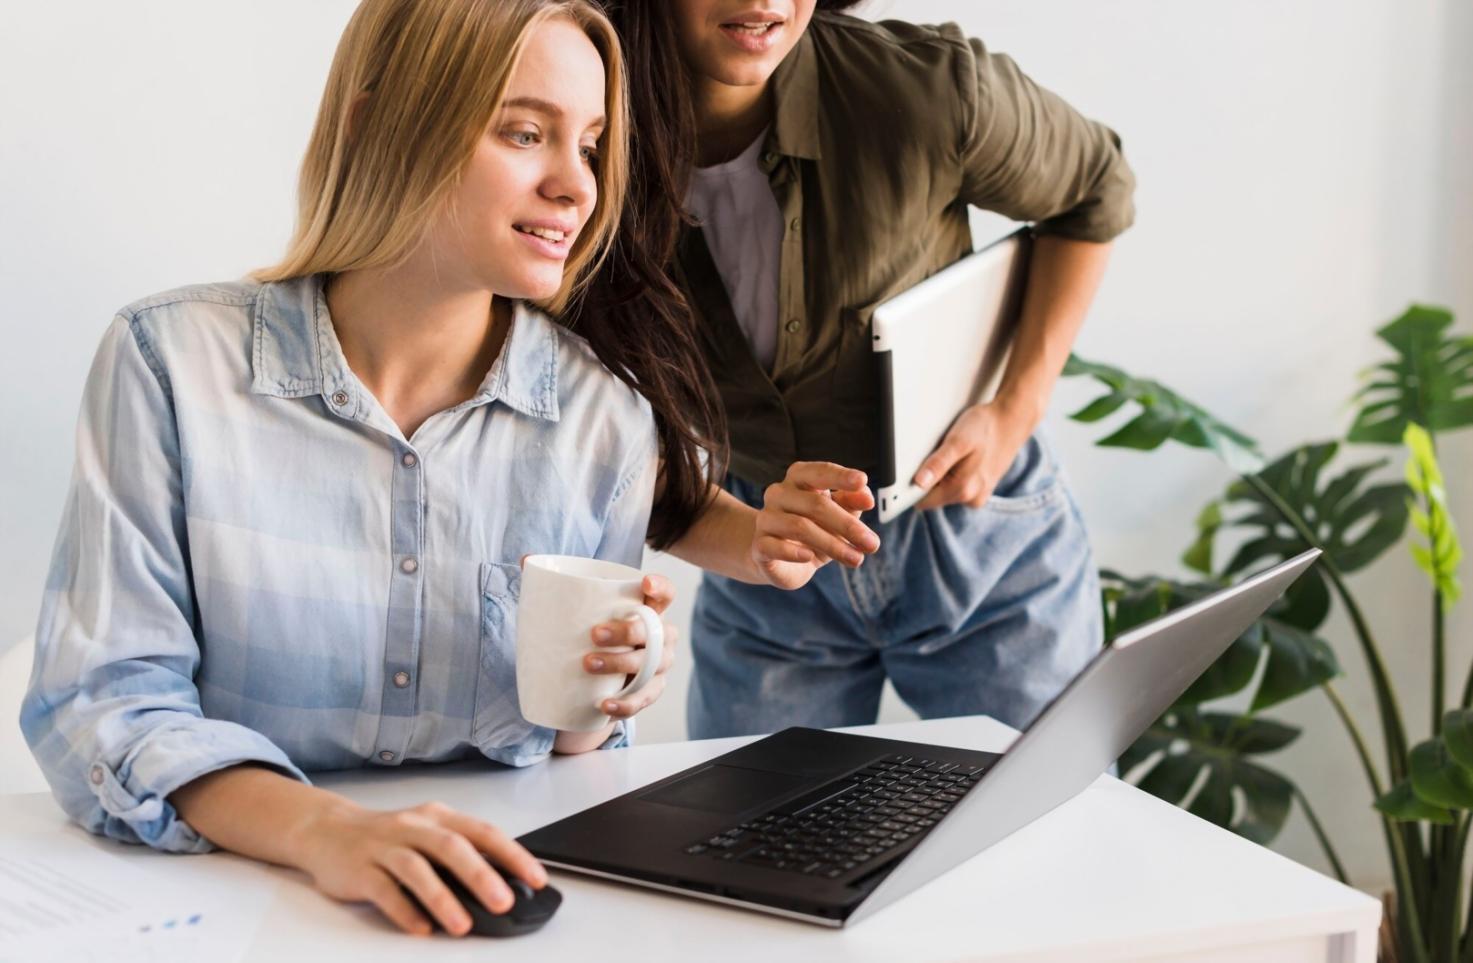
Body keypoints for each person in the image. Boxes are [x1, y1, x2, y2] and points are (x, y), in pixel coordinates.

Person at [20, 0, 871, 938]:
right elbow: (105, 707)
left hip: (506, 910)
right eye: (523, 131)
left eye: (589, 145)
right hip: (215, 911)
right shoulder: (169, 363)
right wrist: (328, 831)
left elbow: (568, 752)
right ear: (380, 118)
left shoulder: (604, 418)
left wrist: (606, 694)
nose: (575, 186)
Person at [604, 1, 1137, 738]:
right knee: (755, 844)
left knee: (1044, 837)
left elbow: (1095, 187)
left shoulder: (926, 88)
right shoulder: (583, 128)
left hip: (975, 537)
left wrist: (1016, 407)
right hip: (759, 547)